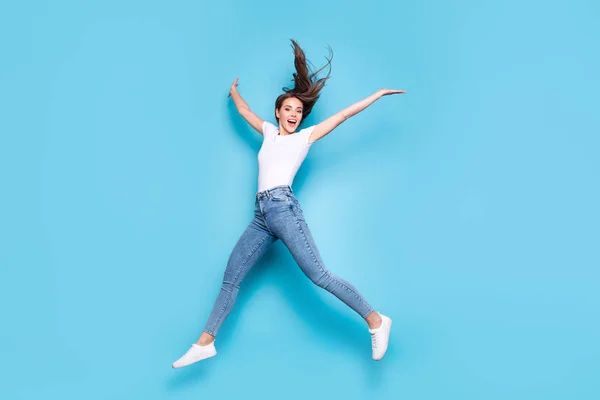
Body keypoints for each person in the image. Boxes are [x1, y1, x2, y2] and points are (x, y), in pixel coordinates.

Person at [172, 39, 405, 368]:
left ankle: (376, 320)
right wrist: (233, 90)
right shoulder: (268, 132)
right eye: (288, 109)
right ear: (278, 113)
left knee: (319, 275)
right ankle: (205, 342)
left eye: (298, 111)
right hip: (261, 216)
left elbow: (341, 115)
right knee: (231, 276)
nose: (294, 114)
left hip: (283, 209)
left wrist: (377, 94)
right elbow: (244, 111)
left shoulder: (303, 138)